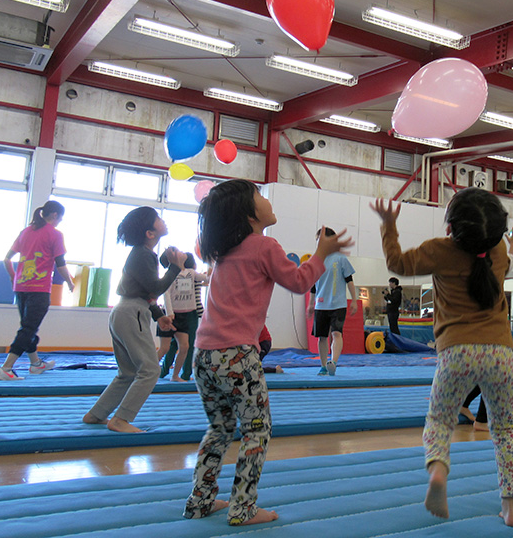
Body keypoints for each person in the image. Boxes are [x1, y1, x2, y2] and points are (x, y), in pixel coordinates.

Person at [182, 179, 351, 526]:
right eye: (260, 195)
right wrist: (322, 253)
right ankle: (242, 507)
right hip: (236, 356)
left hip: (204, 354)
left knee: (219, 428)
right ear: (248, 213)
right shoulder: (263, 246)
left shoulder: (226, 251)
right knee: (257, 429)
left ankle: (200, 500)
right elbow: (300, 282)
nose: (267, 198)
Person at [371, 188, 513, 527]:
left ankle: (439, 470)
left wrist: (389, 225)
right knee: (506, 430)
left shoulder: (441, 250)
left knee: (440, 420)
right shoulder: (498, 251)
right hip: (500, 352)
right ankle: (511, 507)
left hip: (456, 351)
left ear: (451, 228)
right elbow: (508, 263)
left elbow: (396, 262)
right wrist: (511, 245)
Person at [83, 207, 186, 433]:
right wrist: (176, 267)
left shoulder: (143, 254)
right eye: (158, 219)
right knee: (150, 370)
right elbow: (155, 288)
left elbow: (145, 292)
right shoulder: (142, 254)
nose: (163, 220)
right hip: (132, 313)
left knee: (128, 372)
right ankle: (121, 419)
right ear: (150, 233)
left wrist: (159, 317)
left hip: (127, 311)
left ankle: (96, 414)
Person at [0, 201, 74, 381]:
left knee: (27, 328)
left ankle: (36, 364)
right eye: (60, 218)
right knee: (28, 328)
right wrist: (70, 282)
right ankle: (6, 368)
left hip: (21, 287)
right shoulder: (55, 234)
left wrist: (13, 276)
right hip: (39, 289)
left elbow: (7, 259)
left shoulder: (26, 232)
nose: (60, 221)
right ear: (54, 215)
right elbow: (60, 265)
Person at [306, 227, 357, 376]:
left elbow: (349, 280)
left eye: (320, 240)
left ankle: (333, 362)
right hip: (321, 305)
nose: (318, 243)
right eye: (317, 241)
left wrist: (354, 300)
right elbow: (313, 286)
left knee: (336, 333)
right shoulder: (316, 260)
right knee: (322, 336)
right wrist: (310, 304)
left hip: (338, 304)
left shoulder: (340, 258)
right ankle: (323, 366)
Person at [157, 252, 207, 382]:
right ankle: (148, 370)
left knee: (185, 347)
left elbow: (206, 278)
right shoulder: (171, 275)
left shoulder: (191, 272)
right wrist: (170, 312)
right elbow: (166, 294)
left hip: (187, 313)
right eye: (176, 252)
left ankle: (175, 375)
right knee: (165, 347)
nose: (181, 252)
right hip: (172, 315)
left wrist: (214, 265)